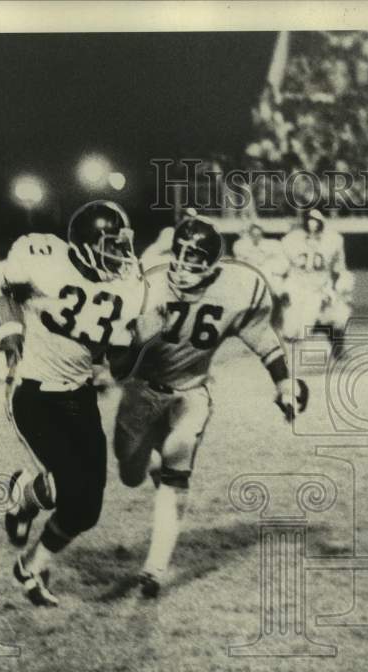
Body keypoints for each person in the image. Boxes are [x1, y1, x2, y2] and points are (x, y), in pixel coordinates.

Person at [113, 215, 308, 598]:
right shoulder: (147, 285)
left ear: (212, 266)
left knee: (177, 458)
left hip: (191, 391)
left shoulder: (235, 289)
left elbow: (263, 338)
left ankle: (154, 569)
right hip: (140, 390)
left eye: (194, 259)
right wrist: (134, 339)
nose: (183, 267)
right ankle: (151, 466)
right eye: (180, 255)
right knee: (129, 471)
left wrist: (284, 382)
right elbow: (115, 355)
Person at [0, 200, 153, 607]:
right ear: (87, 244)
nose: (121, 254)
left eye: (123, 245)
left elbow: (118, 360)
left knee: (86, 508)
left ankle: (30, 566)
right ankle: (23, 495)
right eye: (111, 244)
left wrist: (140, 343)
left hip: (78, 395)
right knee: (68, 484)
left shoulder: (127, 284)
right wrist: (8, 330)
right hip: (34, 391)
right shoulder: (43, 259)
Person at [278, 210, 354, 355]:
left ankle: (338, 349)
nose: (313, 226)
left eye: (316, 222)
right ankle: (287, 355)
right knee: (291, 328)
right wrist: (283, 290)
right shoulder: (290, 239)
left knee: (339, 315)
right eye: (309, 221)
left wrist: (339, 290)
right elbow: (282, 268)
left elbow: (340, 269)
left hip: (321, 287)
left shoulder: (334, 240)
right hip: (296, 287)